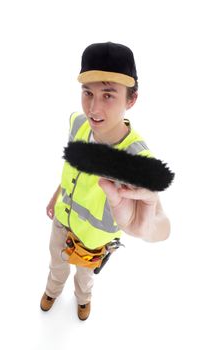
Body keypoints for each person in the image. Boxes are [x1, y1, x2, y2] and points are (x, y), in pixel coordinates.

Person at [40, 42, 171, 321]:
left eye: (108, 94)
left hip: (93, 241)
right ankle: (52, 290)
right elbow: (70, 167)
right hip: (62, 222)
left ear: (131, 100)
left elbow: (161, 222)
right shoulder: (77, 123)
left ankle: (83, 300)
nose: (93, 107)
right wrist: (56, 196)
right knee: (56, 264)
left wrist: (149, 230)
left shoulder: (137, 159)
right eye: (87, 93)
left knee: (85, 278)